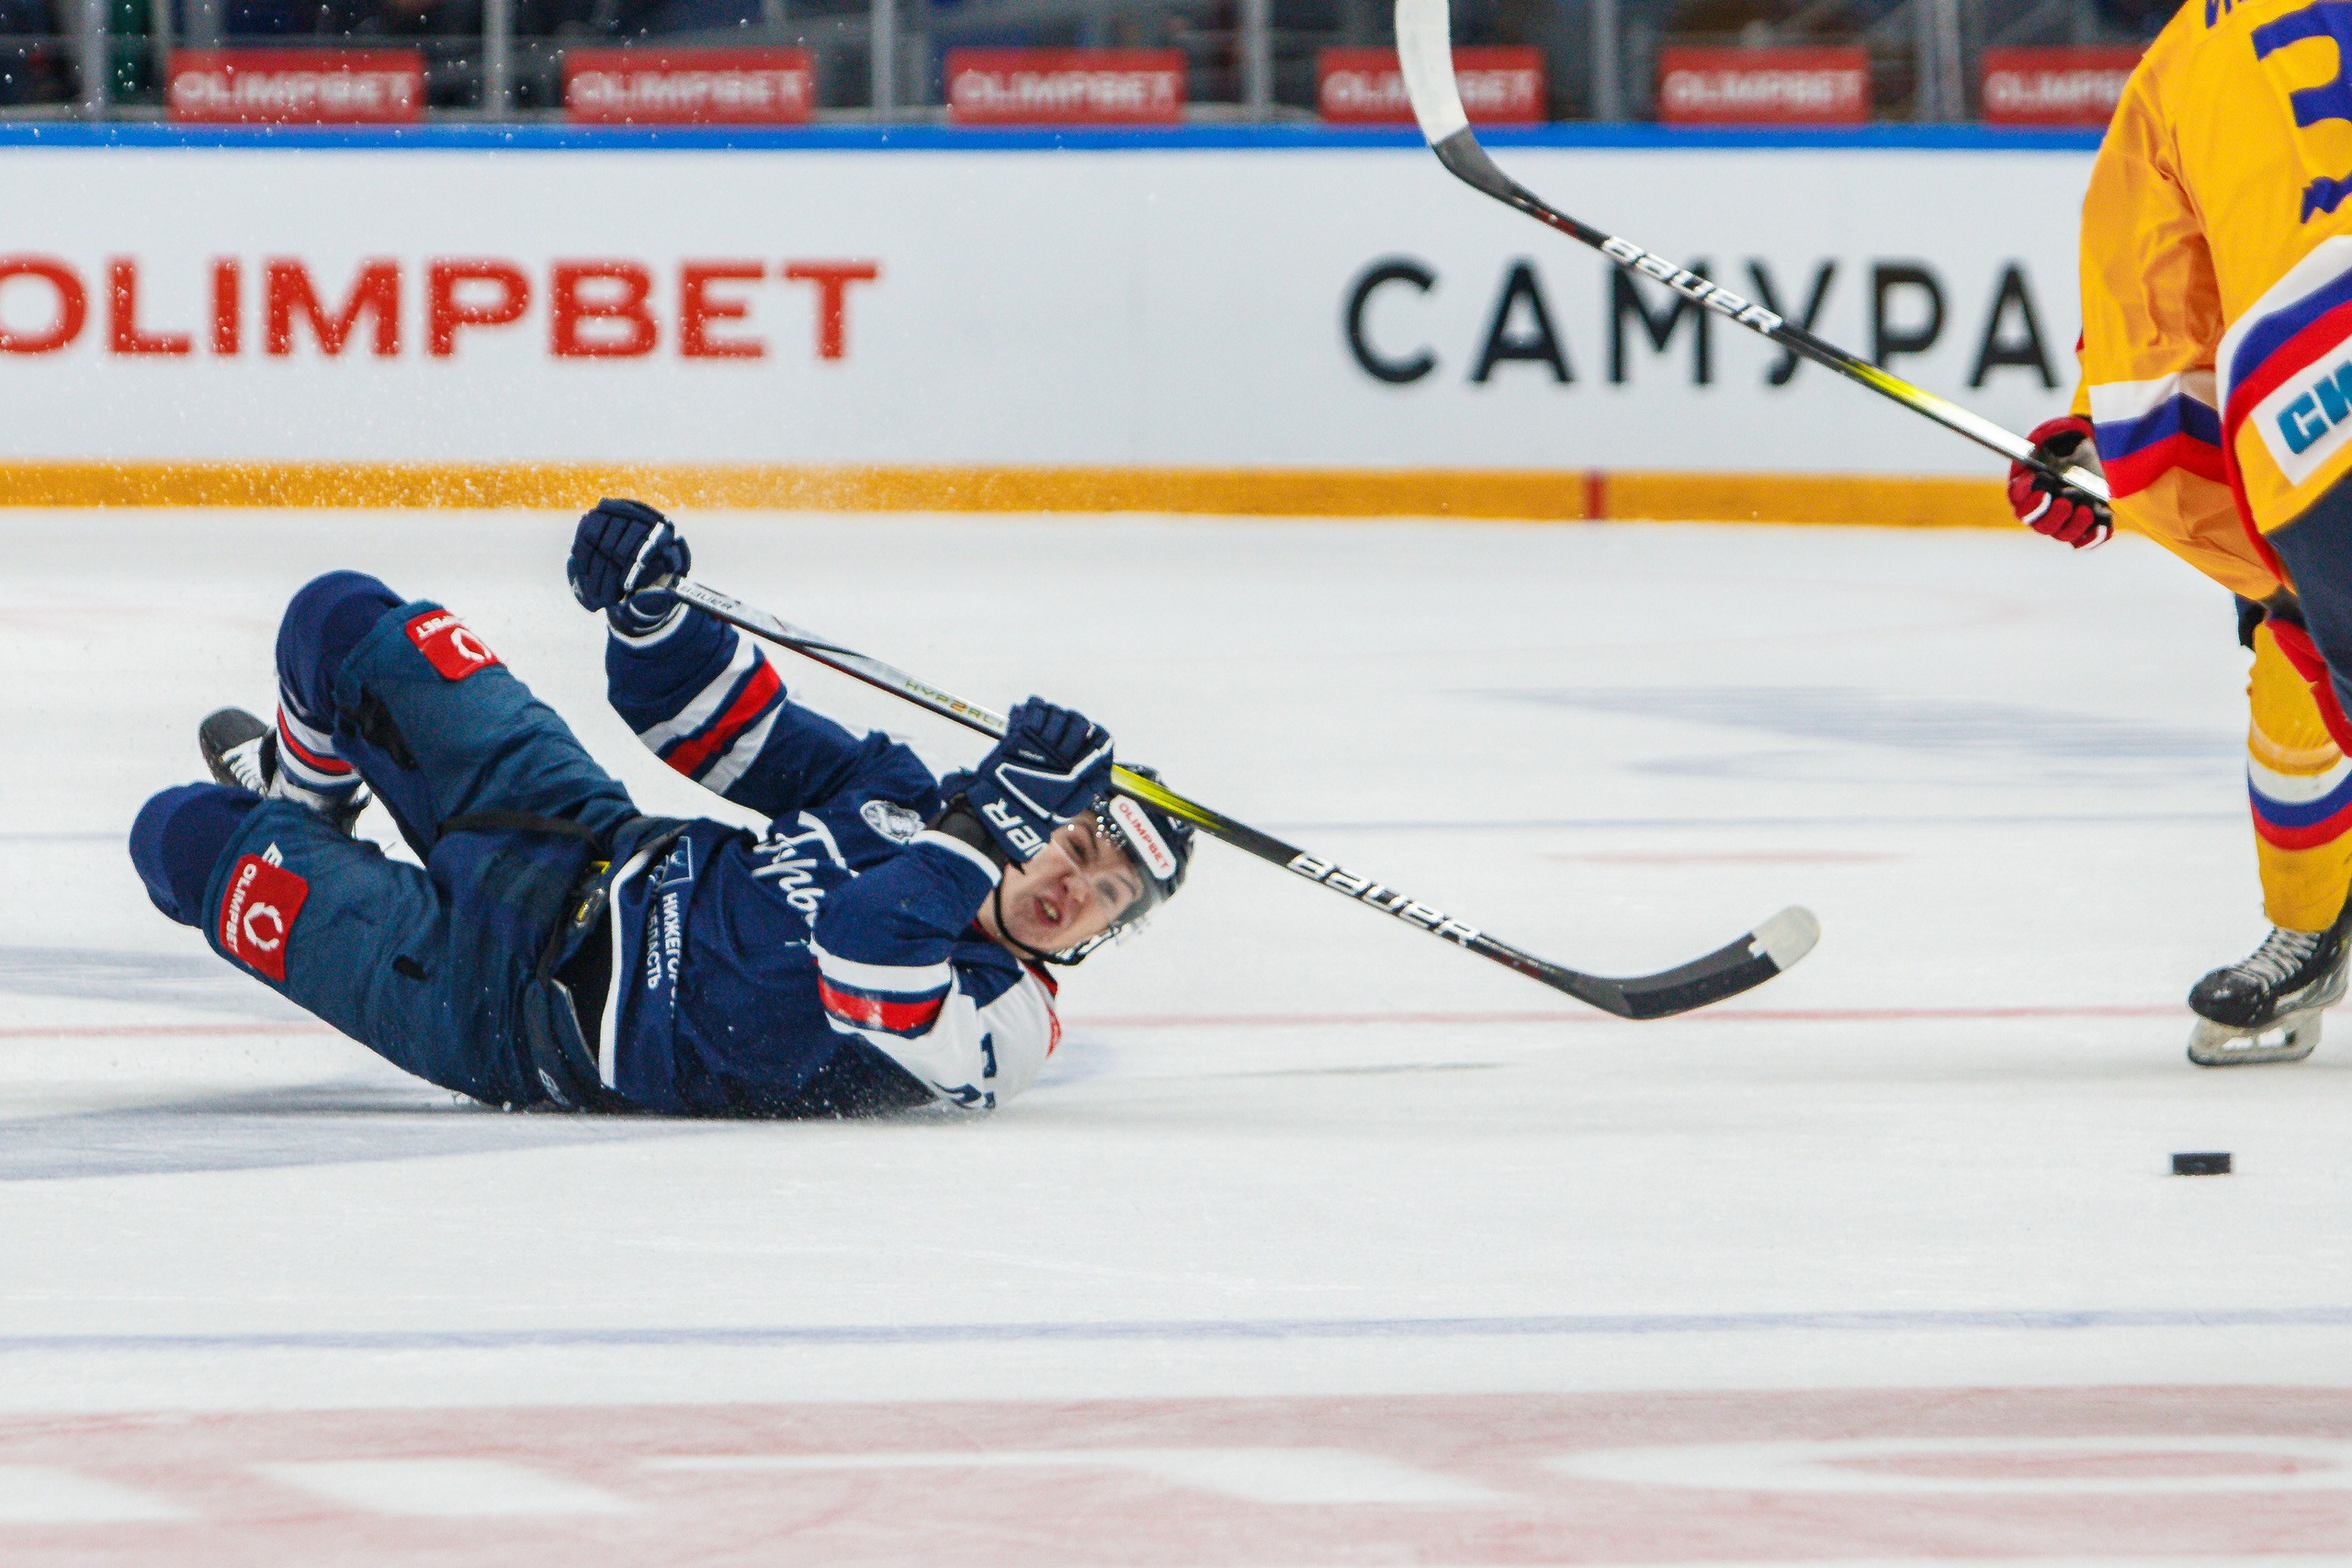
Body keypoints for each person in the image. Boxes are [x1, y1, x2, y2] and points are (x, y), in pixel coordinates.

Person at [126, 499, 1193, 1116]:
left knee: (178, 839)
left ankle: (276, 835)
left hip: (507, 1011)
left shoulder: (1008, 1016)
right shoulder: (906, 797)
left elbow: (868, 951)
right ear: (1044, 810)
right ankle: (304, 801)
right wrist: (649, 612)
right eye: (1082, 846)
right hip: (577, 834)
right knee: (340, 617)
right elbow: (703, 722)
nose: (1072, 889)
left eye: (1108, 897)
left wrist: (987, 826)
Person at [2003, 0, 2352, 1066]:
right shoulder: (2196, 58)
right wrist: (2093, 425)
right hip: (2316, 409)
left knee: (2304, 650)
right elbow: (2166, 277)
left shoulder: (2195, 53)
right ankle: (2309, 929)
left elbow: (2151, 301)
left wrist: (2125, 435)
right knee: (2295, 670)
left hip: (2318, 423)